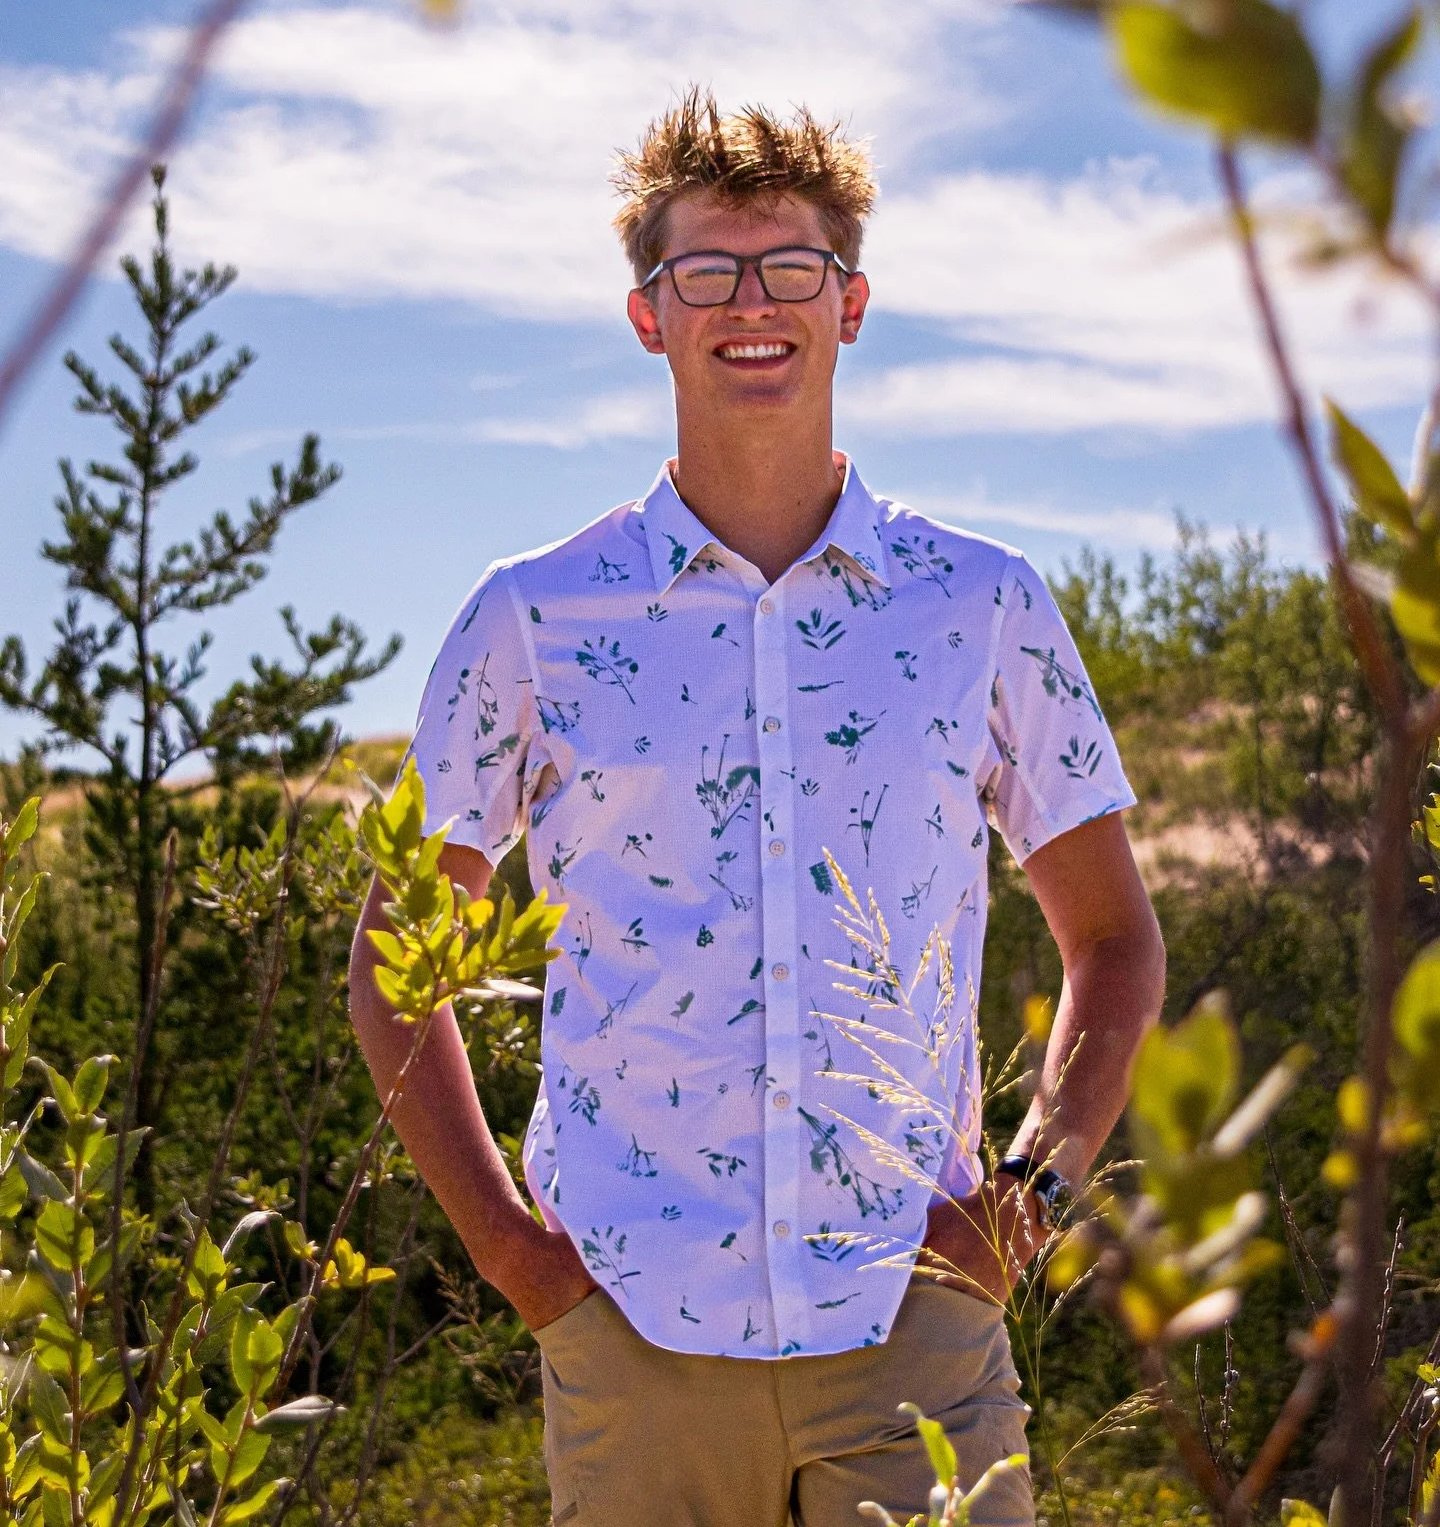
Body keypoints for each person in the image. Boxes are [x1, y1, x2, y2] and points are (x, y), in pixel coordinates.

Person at [349, 91, 1166, 1527]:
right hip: (630, 1337)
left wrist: (1024, 1205)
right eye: (704, 272)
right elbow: (393, 968)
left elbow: (1114, 939)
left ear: (849, 304)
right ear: (647, 315)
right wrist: (517, 1262)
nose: (751, 304)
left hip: (916, 1332)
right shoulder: (532, 618)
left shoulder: (982, 607)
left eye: (789, 267)